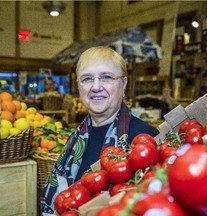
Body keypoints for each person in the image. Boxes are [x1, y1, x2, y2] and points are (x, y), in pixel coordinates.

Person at [40, 46, 159, 215]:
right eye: (87, 79)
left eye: (106, 77)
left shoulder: (145, 140)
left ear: (123, 83)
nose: (96, 87)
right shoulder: (75, 140)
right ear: (78, 86)